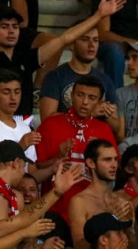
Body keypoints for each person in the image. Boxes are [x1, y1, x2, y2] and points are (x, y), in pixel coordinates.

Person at [0, 0, 124, 119]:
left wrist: (99, 15)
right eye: (4, 26)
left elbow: (65, 39)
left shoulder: (25, 57)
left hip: (25, 127)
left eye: (15, 27)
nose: (11, 31)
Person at [36, 75, 118, 217]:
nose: (85, 102)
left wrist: (100, 155)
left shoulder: (104, 130)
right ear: (72, 96)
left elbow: (113, 172)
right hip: (55, 210)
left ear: (99, 102)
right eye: (80, 95)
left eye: (92, 98)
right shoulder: (50, 125)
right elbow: (36, 169)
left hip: (93, 211)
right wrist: (57, 158)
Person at [66, 138, 138, 249]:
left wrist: (131, 229)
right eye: (107, 160)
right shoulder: (79, 202)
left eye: (115, 159)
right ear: (91, 163)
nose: (114, 165)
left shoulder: (121, 200)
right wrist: (108, 221)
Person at [39, 24, 114, 118]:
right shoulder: (55, 77)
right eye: (85, 39)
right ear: (72, 45)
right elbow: (47, 118)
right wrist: (89, 113)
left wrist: (108, 111)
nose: (92, 45)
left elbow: (117, 124)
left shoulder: (105, 79)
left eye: (95, 40)